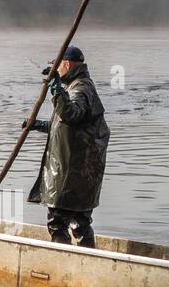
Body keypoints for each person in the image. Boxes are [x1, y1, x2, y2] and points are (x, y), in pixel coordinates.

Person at [24, 45, 109, 247]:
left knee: (58, 221)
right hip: (81, 173)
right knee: (79, 222)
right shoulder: (79, 86)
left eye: (57, 66)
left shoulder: (80, 88)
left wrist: (55, 89)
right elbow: (70, 127)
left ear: (67, 64)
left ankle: (65, 260)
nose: (56, 70)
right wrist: (39, 125)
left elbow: (71, 115)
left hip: (72, 173)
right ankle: (87, 258)